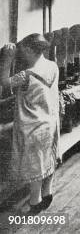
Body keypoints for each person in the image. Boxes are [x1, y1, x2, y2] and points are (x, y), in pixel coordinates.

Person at [0, 34, 60, 213]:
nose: (21, 55)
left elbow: (4, 84)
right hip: (50, 120)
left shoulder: (26, 75)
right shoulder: (52, 66)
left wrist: (7, 59)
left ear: (29, 50)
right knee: (48, 158)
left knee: (35, 165)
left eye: (22, 51)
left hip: (32, 125)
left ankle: (35, 202)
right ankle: (47, 193)